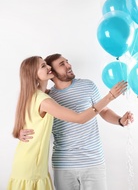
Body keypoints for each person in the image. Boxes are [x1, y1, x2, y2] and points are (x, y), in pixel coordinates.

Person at [7, 56, 128, 190]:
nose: (68, 65)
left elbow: (103, 111)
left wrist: (119, 120)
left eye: (67, 61)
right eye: (61, 64)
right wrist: (110, 96)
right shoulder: (46, 98)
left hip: (89, 161)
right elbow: (79, 118)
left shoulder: (41, 95)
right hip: (53, 165)